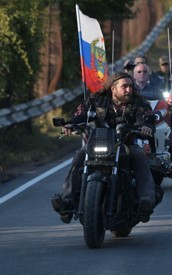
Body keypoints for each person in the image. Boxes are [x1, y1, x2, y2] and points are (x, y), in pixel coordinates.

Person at [51, 72, 158, 223]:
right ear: (113, 88)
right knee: (80, 155)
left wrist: (146, 125)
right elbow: (80, 114)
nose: (129, 90)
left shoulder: (138, 102)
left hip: (126, 144)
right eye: (124, 87)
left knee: (139, 156)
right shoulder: (97, 100)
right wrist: (70, 124)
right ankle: (66, 200)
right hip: (99, 143)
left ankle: (145, 200)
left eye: (130, 86)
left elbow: (148, 116)